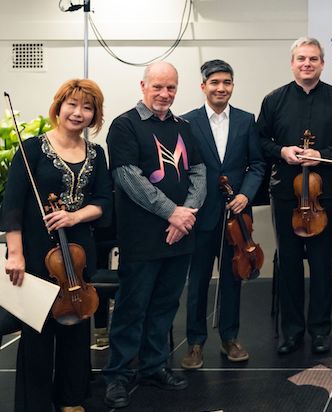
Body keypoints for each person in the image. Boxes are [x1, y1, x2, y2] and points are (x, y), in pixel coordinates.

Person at [2, 79, 112, 412]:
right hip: (37, 253)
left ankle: (71, 397)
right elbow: (12, 207)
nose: (79, 113)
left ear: (94, 115)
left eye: (88, 107)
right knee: (37, 333)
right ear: (59, 106)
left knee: (76, 326)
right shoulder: (32, 148)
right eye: (73, 105)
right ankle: (34, 403)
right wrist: (16, 254)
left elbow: (104, 202)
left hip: (78, 252)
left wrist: (74, 217)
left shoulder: (96, 153)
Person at [103, 62, 207, 409]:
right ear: (143, 85)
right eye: (158, 87)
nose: (165, 94)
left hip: (181, 235)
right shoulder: (125, 126)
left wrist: (187, 214)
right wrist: (173, 213)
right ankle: (118, 375)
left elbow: (199, 172)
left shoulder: (185, 127)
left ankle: (153, 367)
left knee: (164, 306)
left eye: (172, 88)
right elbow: (129, 178)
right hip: (143, 237)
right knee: (132, 307)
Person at [257, 37, 332, 355]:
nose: (307, 64)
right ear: (292, 63)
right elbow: (260, 140)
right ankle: (291, 331)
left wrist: (322, 154)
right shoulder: (274, 100)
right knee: (289, 263)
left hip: (324, 196)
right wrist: (283, 151)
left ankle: (319, 331)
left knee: (321, 264)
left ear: (322, 64)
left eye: (313, 59)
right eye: (301, 58)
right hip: (286, 195)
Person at [180, 59, 266, 369]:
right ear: (203, 86)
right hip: (201, 215)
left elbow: (257, 164)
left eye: (227, 82)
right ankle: (195, 343)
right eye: (215, 82)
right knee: (198, 279)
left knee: (234, 277)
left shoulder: (246, 120)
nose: (221, 88)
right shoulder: (186, 123)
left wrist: (245, 194)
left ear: (232, 86)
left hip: (236, 216)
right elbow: (183, 169)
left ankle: (230, 338)